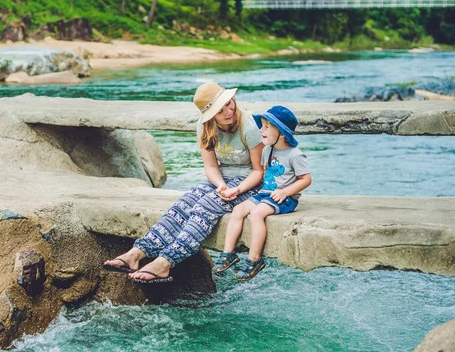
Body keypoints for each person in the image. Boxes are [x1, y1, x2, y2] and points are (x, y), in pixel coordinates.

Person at [103, 81, 264, 283]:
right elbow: (212, 167)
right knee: (186, 202)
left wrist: (237, 189)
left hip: (252, 182)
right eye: (220, 109)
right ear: (210, 115)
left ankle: (165, 262)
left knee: (207, 206)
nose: (229, 110)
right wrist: (221, 185)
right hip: (223, 178)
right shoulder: (204, 126)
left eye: (229, 103)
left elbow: (260, 171)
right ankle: (137, 252)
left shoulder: (247, 125)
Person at [213, 105, 312, 280]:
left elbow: (306, 179)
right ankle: (228, 254)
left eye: (266, 127)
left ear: (281, 133)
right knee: (237, 210)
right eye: (262, 126)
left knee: (257, 214)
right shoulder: (268, 149)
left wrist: (285, 192)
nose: (261, 130)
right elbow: (265, 175)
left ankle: (254, 259)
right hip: (265, 193)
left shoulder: (294, 155)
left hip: (284, 198)